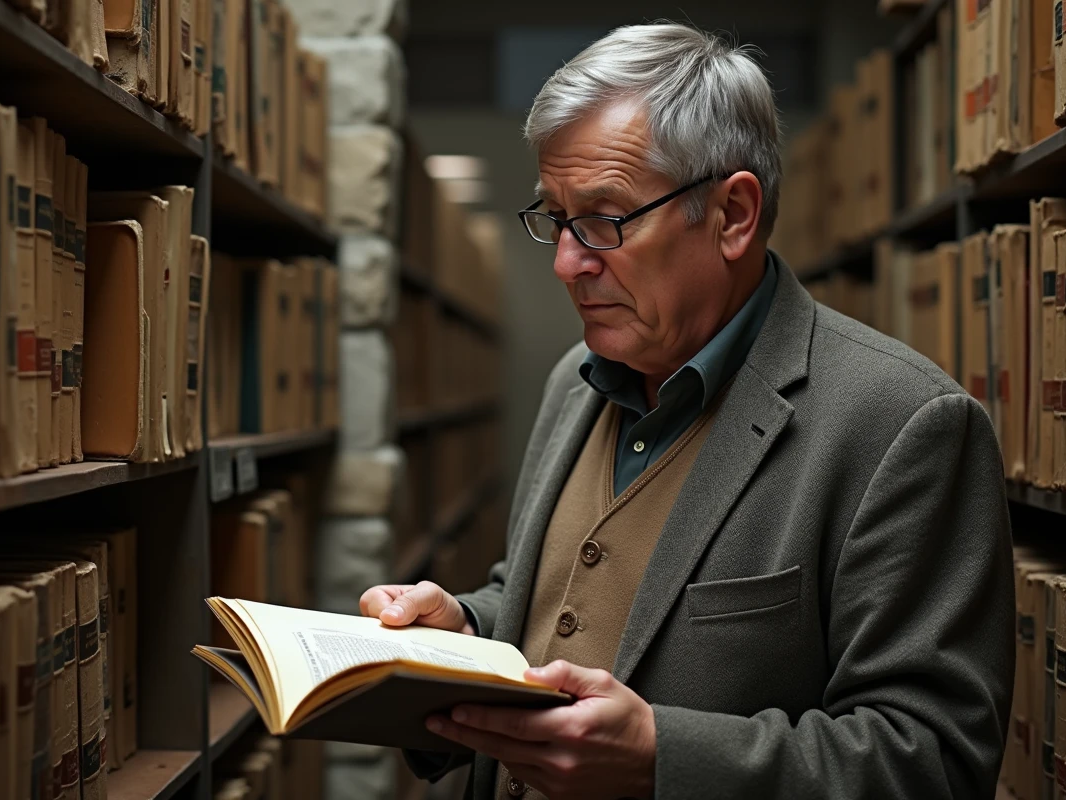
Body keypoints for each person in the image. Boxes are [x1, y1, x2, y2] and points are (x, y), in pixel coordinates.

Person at [360, 22, 1013, 800]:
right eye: (556, 219)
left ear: (733, 214)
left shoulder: (902, 424)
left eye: (605, 219)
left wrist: (661, 759)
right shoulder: (575, 381)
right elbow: (548, 593)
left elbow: (932, 761)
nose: (568, 262)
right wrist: (466, 628)